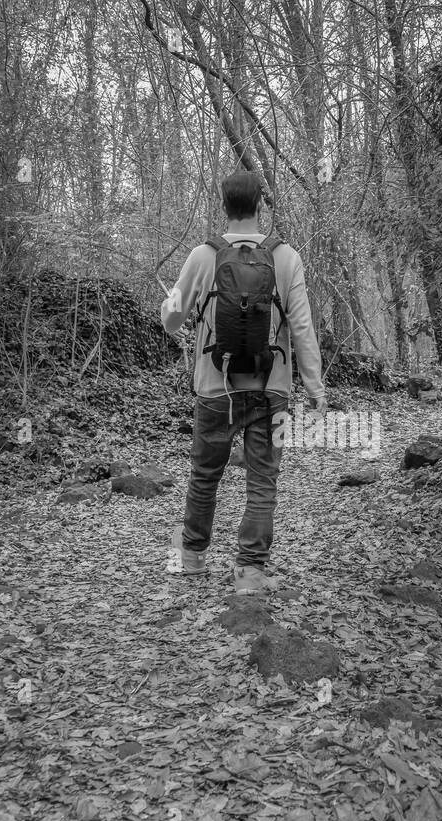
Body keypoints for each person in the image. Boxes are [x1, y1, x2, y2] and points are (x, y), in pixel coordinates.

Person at [160, 172, 327, 594]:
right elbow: (303, 328)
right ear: (260, 207)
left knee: (205, 474)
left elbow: (171, 319)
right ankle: (250, 573)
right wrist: (315, 387)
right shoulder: (286, 257)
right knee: (262, 480)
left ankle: (193, 556)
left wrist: (176, 303)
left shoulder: (202, 256)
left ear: (224, 207)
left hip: (215, 388)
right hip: (272, 388)